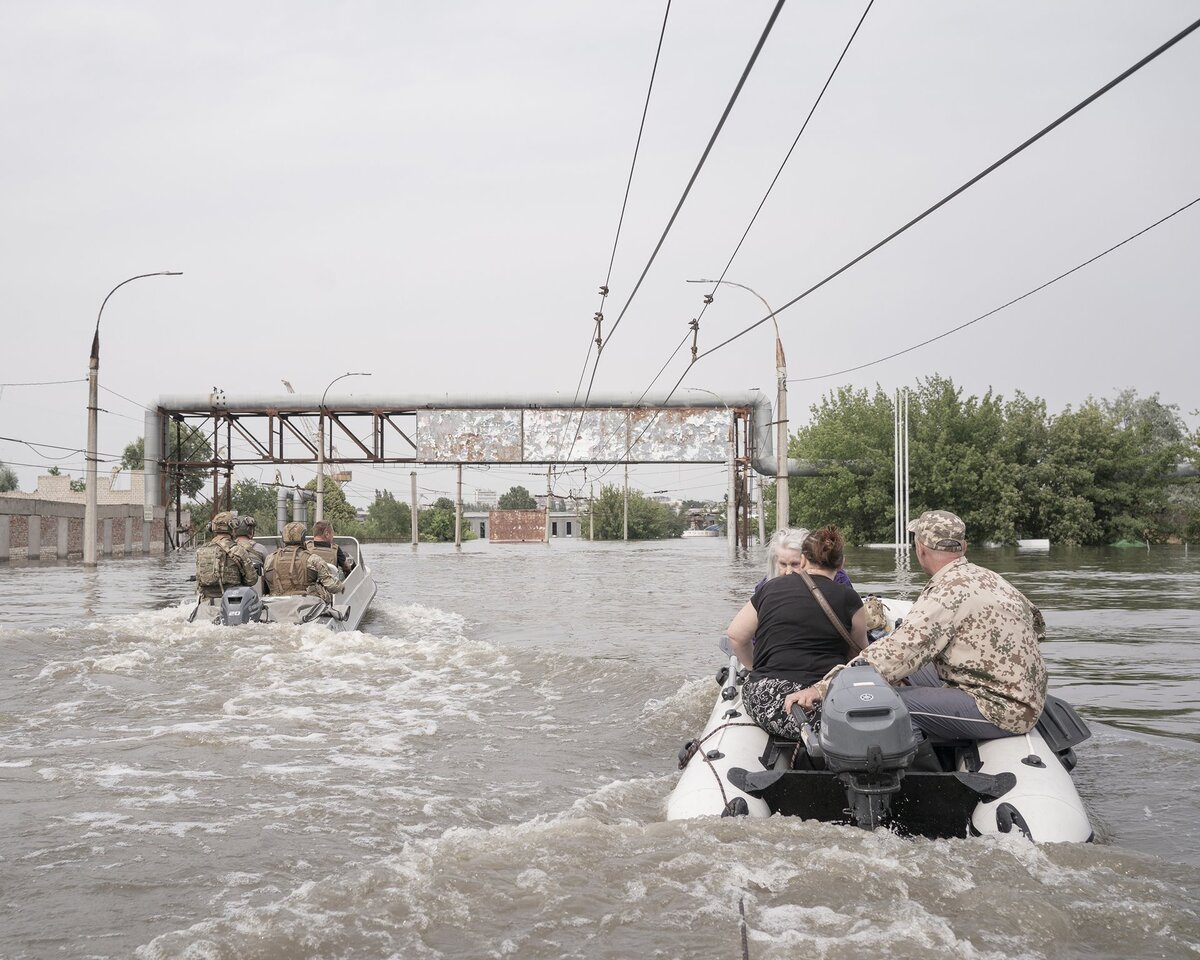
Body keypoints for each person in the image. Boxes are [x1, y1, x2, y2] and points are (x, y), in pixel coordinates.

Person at [786, 510, 1047, 741]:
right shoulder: (990, 578)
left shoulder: (945, 593)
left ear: (919, 547)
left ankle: (917, 777)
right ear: (963, 547)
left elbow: (895, 655)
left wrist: (822, 688)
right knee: (905, 675)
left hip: (1002, 709)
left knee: (878, 700)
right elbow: (1038, 626)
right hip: (1021, 695)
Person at [728, 526, 867, 739]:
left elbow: (736, 636)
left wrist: (755, 668)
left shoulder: (767, 588)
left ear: (803, 560)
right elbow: (858, 654)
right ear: (841, 564)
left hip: (767, 697)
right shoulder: (849, 597)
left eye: (793, 563)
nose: (788, 569)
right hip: (818, 695)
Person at [264, 521, 343, 603]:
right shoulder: (313, 559)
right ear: (303, 537)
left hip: (276, 605)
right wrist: (342, 586)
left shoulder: (270, 558)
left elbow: (266, 583)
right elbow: (332, 586)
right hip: (306, 606)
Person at [194, 511, 260, 600]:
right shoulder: (237, 550)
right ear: (232, 528)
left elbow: (199, 581)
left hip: (207, 603)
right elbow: (252, 580)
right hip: (233, 601)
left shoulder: (201, 551)